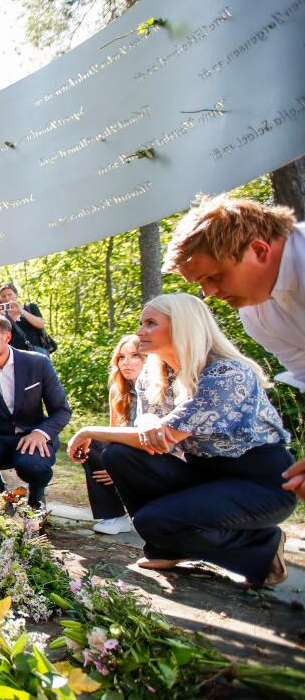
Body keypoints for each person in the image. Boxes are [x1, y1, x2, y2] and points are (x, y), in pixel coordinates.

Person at [67, 294, 294, 586]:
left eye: (151, 323)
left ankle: (263, 547)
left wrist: (88, 431)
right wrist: (147, 421)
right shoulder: (153, 375)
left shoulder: (226, 373)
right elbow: (147, 432)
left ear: (183, 327)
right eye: (141, 323)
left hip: (260, 482)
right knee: (119, 455)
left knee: (153, 521)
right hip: (204, 472)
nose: (140, 331)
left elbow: (166, 437)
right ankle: (166, 547)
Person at [163, 193, 305, 501]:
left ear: (258, 249)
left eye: (214, 276)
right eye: (200, 283)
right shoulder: (257, 313)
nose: (209, 293)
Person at [0, 313, 72, 507]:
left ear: (7, 337)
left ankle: (36, 496)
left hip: (31, 435)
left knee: (33, 465)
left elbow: (61, 410)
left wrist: (41, 433)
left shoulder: (38, 363)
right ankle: (2, 498)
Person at [78, 335, 144, 535]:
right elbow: (113, 431)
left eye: (134, 356)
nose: (126, 362)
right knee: (90, 444)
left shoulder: (160, 388)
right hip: (127, 452)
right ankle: (114, 515)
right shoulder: (118, 390)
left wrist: (120, 469)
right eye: (121, 357)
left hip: (153, 454)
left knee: (113, 452)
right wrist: (110, 463)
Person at [0, 284, 49, 355]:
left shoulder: (30, 307)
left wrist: (22, 311)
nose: (7, 298)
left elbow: (40, 324)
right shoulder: (1, 315)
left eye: (10, 295)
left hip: (37, 351)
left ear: (16, 295)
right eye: (4, 296)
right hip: (15, 354)